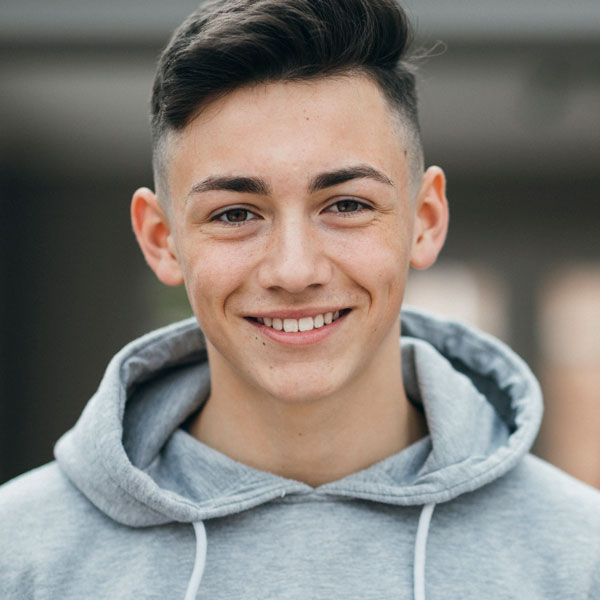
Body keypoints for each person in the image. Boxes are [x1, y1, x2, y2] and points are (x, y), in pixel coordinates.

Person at [1, 0, 599, 598]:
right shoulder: (19, 553)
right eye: (235, 213)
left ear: (425, 219)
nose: (294, 270)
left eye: (346, 205)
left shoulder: (581, 557)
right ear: (162, 240)